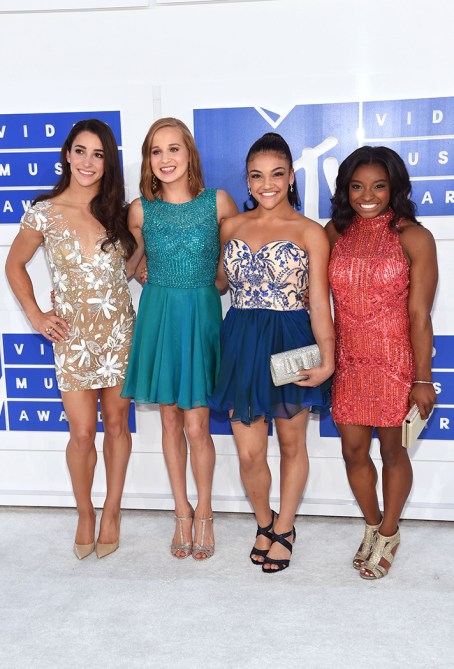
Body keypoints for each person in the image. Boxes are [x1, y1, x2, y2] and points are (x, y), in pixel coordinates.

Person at [6, 119, 136, 560]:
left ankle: (113, 510)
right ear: (67, 154)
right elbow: (14, 265)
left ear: (107, 162)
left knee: (116, 426)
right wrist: (36, 314)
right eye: (81, 151)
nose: (88, 162)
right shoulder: (43, 212)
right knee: (81, 433)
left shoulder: (119, 211)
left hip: (119, 333)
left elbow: (135, 266)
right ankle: (85, 511)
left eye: (98, 154)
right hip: (73, 337)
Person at [209, 132, 334, 572]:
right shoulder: (231, 227)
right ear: (247, 180)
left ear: (291, 177)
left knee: (292, 442)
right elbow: (218, 284)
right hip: (241, 339)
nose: (267, 184)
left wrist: (328, 358)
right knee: (249, 452)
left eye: (277, 174)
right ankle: (264, 522)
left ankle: (285, 527)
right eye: (257, 176)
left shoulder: (310, 232)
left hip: (292, 340)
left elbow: (319, 302)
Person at [122, 117, 238, 560]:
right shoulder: (140, 210)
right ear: (148, 160)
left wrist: (217, 278)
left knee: (196, 424)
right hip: (159, 316)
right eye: (156, 151)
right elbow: (132, 264)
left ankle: (205, 511)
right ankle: (181, 511)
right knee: (170, 421)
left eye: (174, 149)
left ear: (189, 153)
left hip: (200, 315)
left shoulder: (218, 202)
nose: (166, 159)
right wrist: (140, 266)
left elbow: (230, 269)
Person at [326, 145, 438, 580]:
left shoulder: (414, 237)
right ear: (346, 190)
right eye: (357, 186)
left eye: (378, 186)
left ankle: (389, 533)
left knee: (393, 451)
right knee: (353, 451)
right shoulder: (335, 233)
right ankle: (372, 524)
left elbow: (419, 315)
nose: (367, 196)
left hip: (395, 363)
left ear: (394, 188)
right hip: (350, 362)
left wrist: (422, 379)